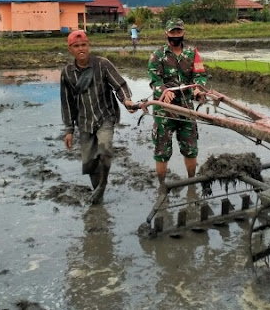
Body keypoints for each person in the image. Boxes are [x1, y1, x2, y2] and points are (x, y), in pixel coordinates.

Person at [60, 30, 137, 204]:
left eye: (84, 45)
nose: (81, 49)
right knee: (90, 162)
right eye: (76, 46)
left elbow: (120, 85)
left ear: (89, 46)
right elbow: (67, 103)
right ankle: (98, 193)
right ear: (70, 49)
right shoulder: (67, 73)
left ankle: (102, 184)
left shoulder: (102, 65)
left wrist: (127, 100)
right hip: (84, 122)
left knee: (105, 150)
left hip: (105, 117)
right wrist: (69, 130)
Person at [147, 18, 207, 191]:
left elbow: (200, 74)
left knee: (190, 148)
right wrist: (165, 91)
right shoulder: (157, 55)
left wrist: (197, 89)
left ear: (184, 32)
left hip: (187, 109)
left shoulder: (192, 53)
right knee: (162, 152)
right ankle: (163, 187)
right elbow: (155, 81)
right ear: (166, 33)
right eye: (172, 32)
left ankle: (191, 184)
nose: (175, 35)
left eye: (178, 32)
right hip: (164, 110)